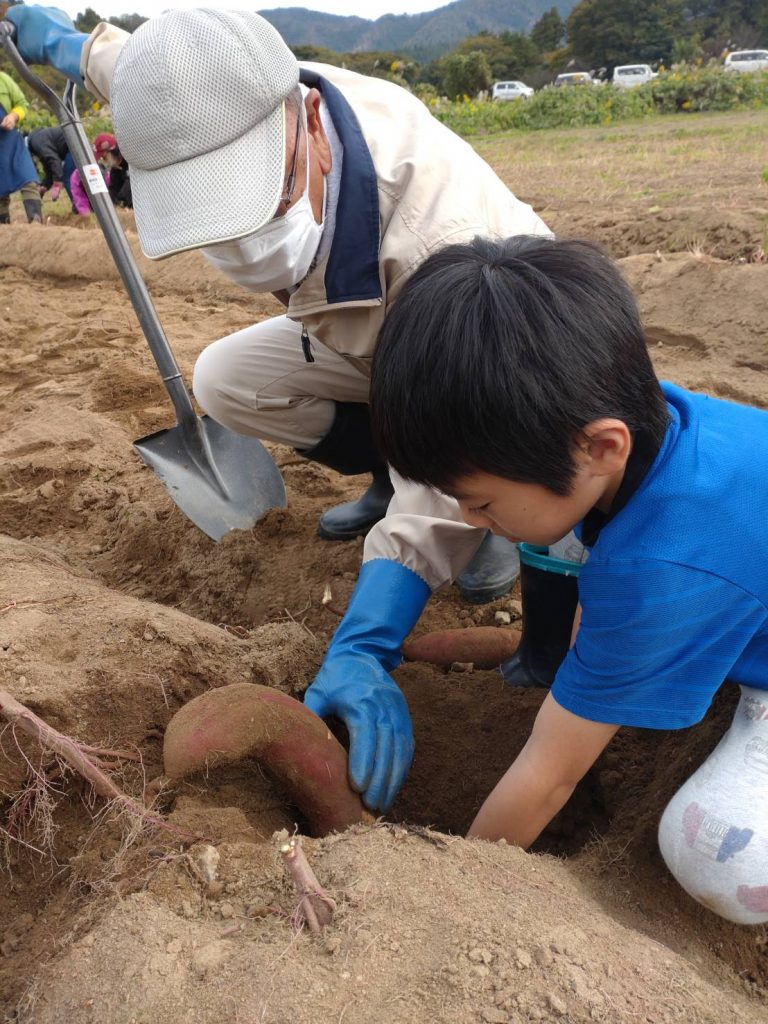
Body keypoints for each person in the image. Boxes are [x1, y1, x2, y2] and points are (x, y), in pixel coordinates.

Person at [6, 6, 587, 813]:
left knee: (472, 488)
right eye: (214, 220)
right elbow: (158, 76)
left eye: (258, 198)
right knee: (225, 379)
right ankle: (391, 474)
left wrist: (367, 640)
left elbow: (455, 427)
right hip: (359, 334)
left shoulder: (432, 241)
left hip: (504, 358)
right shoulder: (226, 89)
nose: (244, 246)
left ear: (308, 120)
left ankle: (488, 532)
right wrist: (74, 43)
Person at [368, 233, 768, 924]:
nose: (469, 518)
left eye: (482, 502)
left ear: (601, 446)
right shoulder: (660, 423)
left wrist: (453, 890)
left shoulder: (663, 567)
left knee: (718, 855)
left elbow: (550, 777)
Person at [0, 69, 42, 223]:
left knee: (28, 179)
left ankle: (36, 221)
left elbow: (22, 104)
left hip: (10, 139)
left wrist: (13, 116)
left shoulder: (3, 79)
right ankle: (4, 229)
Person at [27, 124, 75, 205]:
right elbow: (49, 167)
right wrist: (45, 186)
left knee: (68, 179)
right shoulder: (37, 143)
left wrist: (57, 182)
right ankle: (85, 206)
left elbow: (54, 160)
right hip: (72, 144)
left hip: (73, 145)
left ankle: (79, 209)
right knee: (75, 179)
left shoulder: (37, 142)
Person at [92, 131, 132, 208]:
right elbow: (113, 189)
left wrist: (121, 201)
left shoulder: (130, 161)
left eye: (104, 157)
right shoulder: (115, 169)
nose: (104, 161)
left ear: (112, 150)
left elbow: (130, 185)